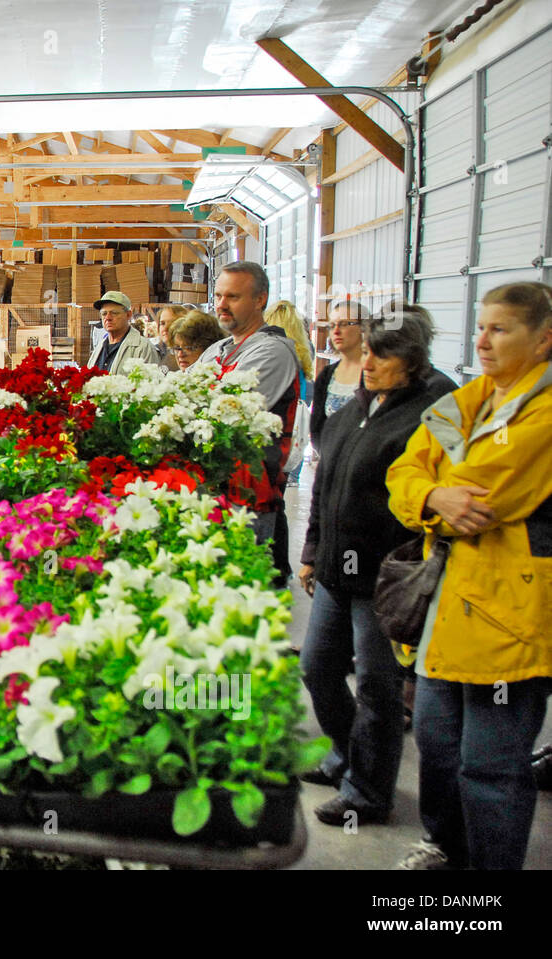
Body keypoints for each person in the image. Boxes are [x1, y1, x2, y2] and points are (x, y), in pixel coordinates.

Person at [387, 281, 552, 871]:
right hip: (443, 607)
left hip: (507, 618)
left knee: (491, 765)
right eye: (480, 327)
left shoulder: (543, 412)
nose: (481, 341)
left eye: (500, 329)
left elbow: (485, 492)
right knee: (436, 746)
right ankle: (446, 848)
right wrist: (433, 493)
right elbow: (405, 469)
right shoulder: (472, 398)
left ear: (544, 339)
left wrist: (435, 490)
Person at [296, 306, 455, 830]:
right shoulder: (353, 410)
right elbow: (323, 487)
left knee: (377, 689)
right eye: (366, 351)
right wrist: (313, 550)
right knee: (317, 667)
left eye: (381, 355)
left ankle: (368, 791)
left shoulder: (427, 416)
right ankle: (346, 754)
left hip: (383, 579)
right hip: (336, 575)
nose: (367, 362)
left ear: (410, 362)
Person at [196, 261, 301, 586]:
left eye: (233, 297)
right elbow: (181, 396)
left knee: (245, 597)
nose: (222, 305)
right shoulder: (219, 348)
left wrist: (195, 395)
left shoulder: (273, 351)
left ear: (260, 300)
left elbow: (225, 412)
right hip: (214, 490)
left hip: (249, 498)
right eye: (218, 295)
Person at [265, 300, 316, 486]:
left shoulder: (268, 347)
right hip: (298, 402)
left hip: (275, 409)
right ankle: (294, 476)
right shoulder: (305, 346)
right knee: (295, 438)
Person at [311, 299, 370, 455]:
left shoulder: (375, 373)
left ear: (363, 328)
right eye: (332, 325)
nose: (336, 331)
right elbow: (316, 427)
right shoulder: (327, 375)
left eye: (344, 324)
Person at [87, 291, 161, 374]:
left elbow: (150, 383)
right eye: (104, 314)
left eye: (114, 313)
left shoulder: (143, 348)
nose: (108, 318)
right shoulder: (99, 348)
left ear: (128, 315)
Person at [153, 305, 187, 372]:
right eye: (162, 323)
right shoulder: (156, 350)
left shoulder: (187, 355)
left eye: (172, 323)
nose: (165, 328)